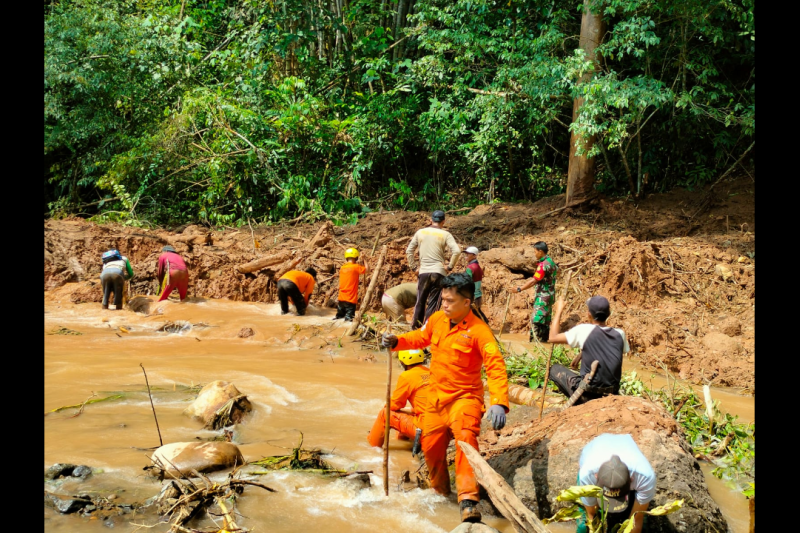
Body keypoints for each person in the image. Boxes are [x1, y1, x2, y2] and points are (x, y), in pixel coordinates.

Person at [381, 273, 508, 523]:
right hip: (436, 397)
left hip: (465, 397)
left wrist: (499, 402)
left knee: (465, 441)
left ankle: (468, 501)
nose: (445, 305)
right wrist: (397, 341)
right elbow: (420, 337)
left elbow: (495, 366)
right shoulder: (438, 319)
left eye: (450, 301)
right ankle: (440, 493)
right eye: (443, 300)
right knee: (430, 446)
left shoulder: (480, 332)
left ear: (466, 303)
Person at [546, 295, 629, 403]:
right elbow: (607, 351)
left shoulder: (584, 330)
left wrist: (559, 310)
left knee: (554, 369)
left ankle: (578, 405)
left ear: (589, 314)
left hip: (588, 394)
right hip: (611, 394)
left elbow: (553, 337)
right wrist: (582, 354)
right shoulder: (620, 333)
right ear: (609, 314)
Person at [576, 433, 656, 533]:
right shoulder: (588, 475)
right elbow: (591, 514)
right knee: (584, 525)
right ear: (596, 477)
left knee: (641, 523)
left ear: (631, 479)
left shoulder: (644, 477)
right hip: (595, 452)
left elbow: (636, 519)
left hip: (629, 455)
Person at [406, 210, 461, 329]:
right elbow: (456, 251)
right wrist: (449, 266)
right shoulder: (446, 234)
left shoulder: (420, 232)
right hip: (438, 272)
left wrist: (414, 267)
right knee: (434, 302)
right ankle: (429, 328)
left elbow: (409, 250)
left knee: (420, 300)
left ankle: (415, 327)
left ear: (431, 220)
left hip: (424, 271)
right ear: (443, 222)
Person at [367, 349, 429, 447]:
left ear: (402, 361)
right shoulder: (431, 373)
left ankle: (372, 448)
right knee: (406, 412)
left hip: (426, 431)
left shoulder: (406, 376)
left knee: (384, 414)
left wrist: (386, 406)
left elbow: (394, 405)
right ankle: (403, 442)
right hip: (442, 427)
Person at [513, 241, 557, 342]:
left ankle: (534, 345)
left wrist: (519, 289)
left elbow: (534, 281)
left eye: (535, 251)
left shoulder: (543, 265)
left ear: (541, 251)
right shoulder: (551, 261)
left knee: (536, 321)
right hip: (550, 296)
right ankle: (544, 344)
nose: (534, 253)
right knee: (545, 322)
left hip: (543, 297)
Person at [334, 248, 368, 322]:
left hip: (341, 299)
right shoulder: (356, 267)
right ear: (356, 257)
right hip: (351, 299)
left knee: (338, 318)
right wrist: (364, 259)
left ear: (346, 257)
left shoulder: (342, 268)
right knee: (349, 320)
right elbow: (367, 270)